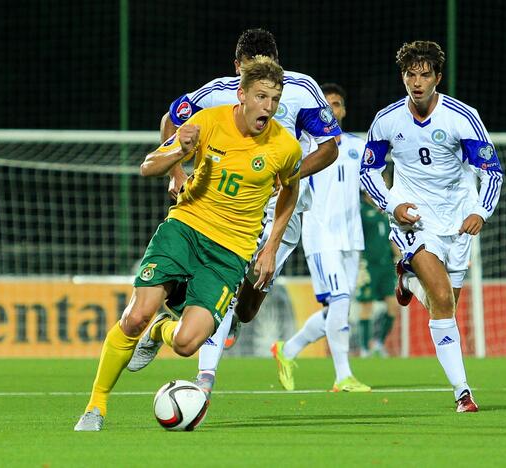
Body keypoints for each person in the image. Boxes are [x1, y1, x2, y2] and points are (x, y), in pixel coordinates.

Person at [74, 56, 302, 431]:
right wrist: (179, 152)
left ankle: (161, 331)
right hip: (184, 228)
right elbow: (148, 166)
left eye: (275, 99)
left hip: (229, 253)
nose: (269, 107)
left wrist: (271, 246)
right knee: (134, 315)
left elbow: (290, 192)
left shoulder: (285, 146)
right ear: (242, 95)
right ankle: (95, 408)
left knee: (186, 343)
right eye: (261, 97)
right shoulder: (207, 122)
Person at [127, 29, 340, 394]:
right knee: (221, 292)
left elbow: (330, 146)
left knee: (247, 307)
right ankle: (203, 382)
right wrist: (177, 172)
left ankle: (176, 323)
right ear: (238, 69)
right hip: (225, 208)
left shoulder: (301, 88)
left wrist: (289, 174)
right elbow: (171, 119)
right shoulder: (216, 94)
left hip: (280, 209)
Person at [359, 41, 503, 413]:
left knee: (446, 304)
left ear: (438, 77)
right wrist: (393, 204)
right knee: (440, 298)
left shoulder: (461, 117)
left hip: (457, 219)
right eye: (410, 74)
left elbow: (491, 170)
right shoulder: (387, 120)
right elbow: (368, 171)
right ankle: (463, 392)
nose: (417, 81)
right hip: (414, 218)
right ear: (403, 76)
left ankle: (407, 280)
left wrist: (481, 213)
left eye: (424, 74)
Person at [271, 83, 370, 392]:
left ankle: (286, 351)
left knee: (336, 309)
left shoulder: (358, 145)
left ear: (343, 110)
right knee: (339, 300)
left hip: (352, 237)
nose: (333, 109)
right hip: (321, 235)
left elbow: (370, 187)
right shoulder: (306, 149)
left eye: (337, 104)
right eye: (327, 104)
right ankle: (343, 376)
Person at [356, 191, 401, 357]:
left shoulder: (385, 211)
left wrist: (401, 257)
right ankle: (364, 349)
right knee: (367, 305)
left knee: (392, 306)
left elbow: (391, 239)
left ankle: (379, 343)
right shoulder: (360, 210)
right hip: (368, 265)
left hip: (386, 266)